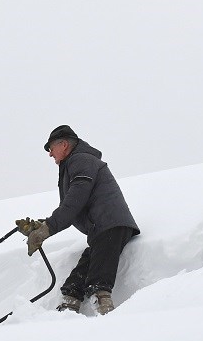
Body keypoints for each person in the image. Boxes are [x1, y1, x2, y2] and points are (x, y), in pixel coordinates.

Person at [25, 125, 140, 315]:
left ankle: (108, 319)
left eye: (51, 148)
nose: (50, 154)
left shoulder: (81, 160)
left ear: (63, 145)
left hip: (110, 224)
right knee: (75, 282)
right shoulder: (75, 162)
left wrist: (46, 229)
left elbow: (74, 203)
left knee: (98, 282)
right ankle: (69, 307)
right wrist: (41, 225)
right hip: (101, 228)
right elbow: (71, 207)